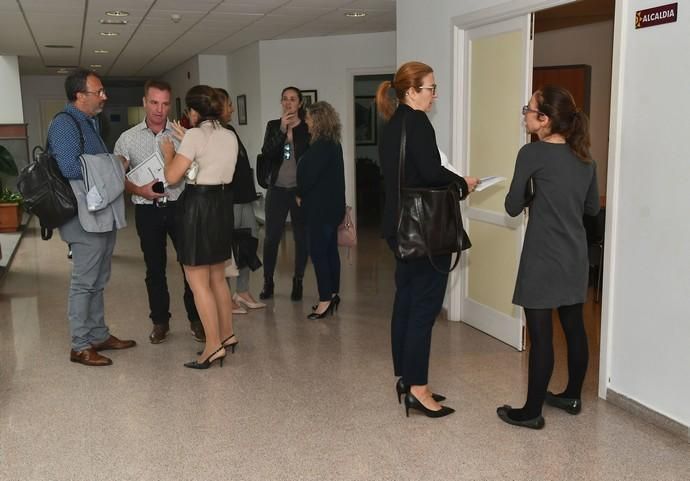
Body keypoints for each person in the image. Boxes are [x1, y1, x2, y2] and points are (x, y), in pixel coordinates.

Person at [376, 61, 479, 417]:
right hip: (422, 230)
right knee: (423, 310)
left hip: (397, 226)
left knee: (405, 303)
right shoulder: (417, 122)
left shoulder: (392, 125)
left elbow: (407, 175)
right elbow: (432, 173)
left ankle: (406, 378)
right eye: (430, 88)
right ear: (411, 91)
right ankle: (418, 388)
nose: (434, 95)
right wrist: (461, 184)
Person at [497, 85, 599, 429]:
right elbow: (589, 209)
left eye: (528, 109)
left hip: (542, 257)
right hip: (575, 256)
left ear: (543, 119)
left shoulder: (532, 154)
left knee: (541, 337)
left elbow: (512, 207)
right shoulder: (586, 160)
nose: (524, 114)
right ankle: (572, 395)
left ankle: (531, 413)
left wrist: (531, 196)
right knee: (574, 328)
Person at [47, 68, 136, 366]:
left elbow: (89, 165)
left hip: (98, 213)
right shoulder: (65, 124)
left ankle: (98, 334)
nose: (104, 96)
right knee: (84, 282)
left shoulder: (90, 123)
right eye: (98, 92)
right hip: (81, 216)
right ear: (78, 96)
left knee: (98, 279)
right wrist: (115, 162)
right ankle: (80, 345)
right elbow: (71, 168)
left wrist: (109, 164)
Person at [114, 80, 204, 345]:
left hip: (180, 207)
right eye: (154, 102)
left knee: (190, 266)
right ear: (144, 102)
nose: (159, 109)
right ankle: (160, 322)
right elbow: (118, 177)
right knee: (155, 268)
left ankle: (196, 319)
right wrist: (138, 190)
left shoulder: (181, 135)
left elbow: (195, 172)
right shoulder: (127, 138)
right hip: (147, 210)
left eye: (165, 104)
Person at [160, 85, 238, 369]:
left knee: (197, 281)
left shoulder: (194, 135)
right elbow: (207, 163)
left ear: (195, 111)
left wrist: (169, 151)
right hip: (221, 206)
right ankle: (227, 334)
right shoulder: (228, 135)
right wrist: (187, 145)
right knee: (217, 276)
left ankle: (212, 345)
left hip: (198, 208)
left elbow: (172, 176)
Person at [216, 88, 265, 314]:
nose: (232, 108)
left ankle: (242, 291)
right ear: (217, 106)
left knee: (248, 244)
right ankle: (227, 298)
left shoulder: (230, 130)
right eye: (228, 104)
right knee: (229, 251)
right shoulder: (214, 134)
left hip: (245, 199)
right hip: (229, 202)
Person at [259, 86, 310, 301]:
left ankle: (298, 280)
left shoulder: (308, 127)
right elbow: (267, 152)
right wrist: (281, 130)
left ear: (300, 103)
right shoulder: (273, 126)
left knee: (301, 237)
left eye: (292, 99)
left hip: (299, 191)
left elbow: (310, 159)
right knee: (271, 238)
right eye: (285, 99)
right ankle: (268, 281)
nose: (288, 103)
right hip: (277, 189)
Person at [296, 101, 345, 319]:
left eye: (308, 118)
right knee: (330, 251)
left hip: (320, 209)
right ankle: (333, 293)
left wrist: (299, 193)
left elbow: (308, 177)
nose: (306, 121)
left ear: (317, 120)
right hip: (332, 207)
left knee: (318, 253)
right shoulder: (332, 142)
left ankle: (325, 299)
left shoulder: (321, 145)